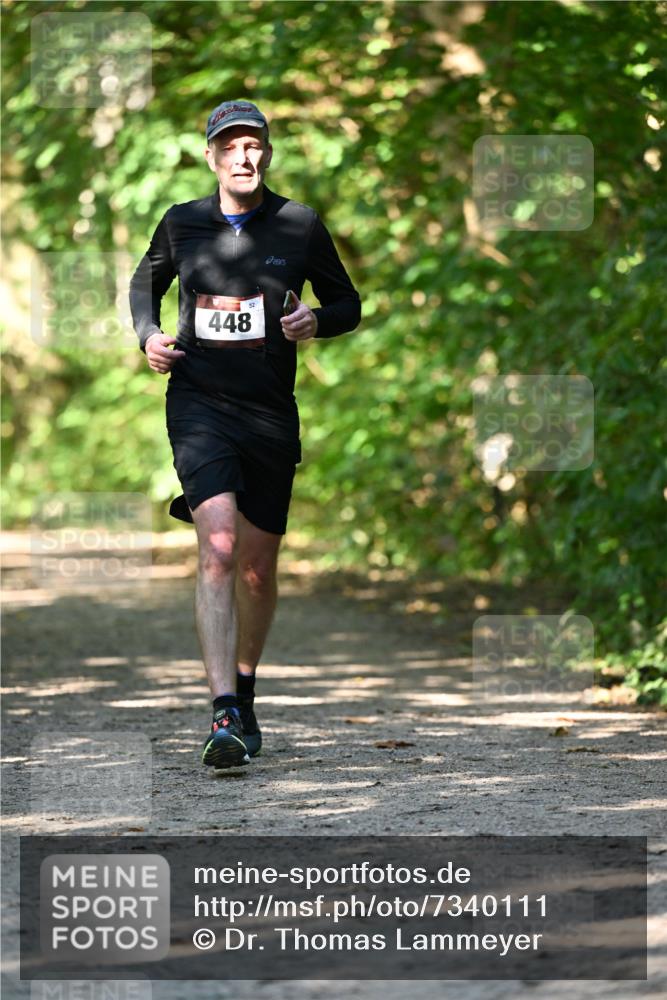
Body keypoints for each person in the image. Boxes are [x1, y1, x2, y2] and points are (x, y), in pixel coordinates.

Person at [129, 100, 361, 771]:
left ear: (267, 153)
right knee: (220, 547)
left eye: (253, 145)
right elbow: (143, 287)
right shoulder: (182, 223)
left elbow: (346, 302)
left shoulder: (298, 224)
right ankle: (222, 710)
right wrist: (150, 337)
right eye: (228, 147)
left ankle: (246, 689)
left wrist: (315, 321)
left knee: (257, 570)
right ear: (210, 157)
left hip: (268, 412)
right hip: (198, 402)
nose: (242, 157)